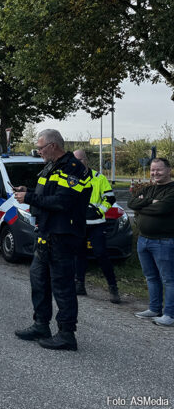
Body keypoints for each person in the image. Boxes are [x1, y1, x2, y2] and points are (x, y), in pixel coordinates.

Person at [12, 129, 91, 350]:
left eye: (40, 148)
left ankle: (67, 334)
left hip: (62, 235)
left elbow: (62, 202)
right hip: (46, 232)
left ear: (53, 146)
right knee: (38, 280)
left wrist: (28, 197)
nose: (38, 151)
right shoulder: (51, 166)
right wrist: (27, 190)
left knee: (62, 286)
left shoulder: (73, 169)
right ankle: (41, 325)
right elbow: (47, 194)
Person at [127, 157, 174, 327]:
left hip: (164, 241)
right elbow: (131, 203)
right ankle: (154, 309)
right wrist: (148, 201)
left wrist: (142, 206)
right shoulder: (149, 189)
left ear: (169, 170)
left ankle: (170, 314)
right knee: (151, 277)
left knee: (168, 279)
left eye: (159, 169)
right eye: (153, 170)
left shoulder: (172, 190)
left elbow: (162, 208)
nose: (155, 173)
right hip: (144, 240)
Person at [73, 149, 120, 303]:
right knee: (79, 255)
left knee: (101, 254)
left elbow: (110, 198)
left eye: (80, 160)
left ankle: (113, 287)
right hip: (79, 224)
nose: (78, 163)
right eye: (75, 160)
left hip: (97, 224)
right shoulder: (70, 178)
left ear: (86, 160)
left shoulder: (99, 178)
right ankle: (79, 284)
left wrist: (99, 211)